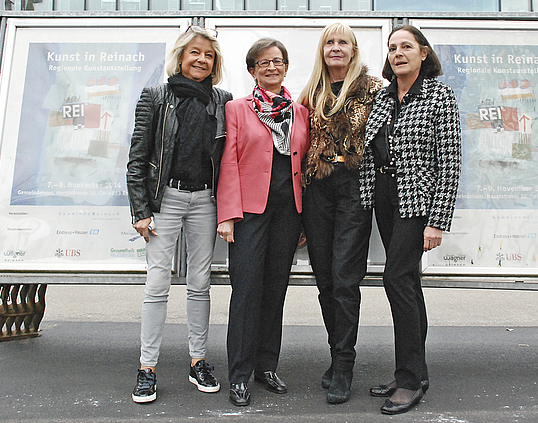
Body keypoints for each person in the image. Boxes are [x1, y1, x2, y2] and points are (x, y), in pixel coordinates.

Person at [126, 26, 232, 404]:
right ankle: (147, 368)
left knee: (200, 283)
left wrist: (228, 210)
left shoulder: (223, 100)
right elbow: (138, 157)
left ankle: (197, 361)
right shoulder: (155, 96)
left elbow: (230, 161)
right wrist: (140, 210)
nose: (202, 60)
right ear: (181, 57)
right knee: (157, 285)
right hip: (165, 200)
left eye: (208, 55)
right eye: (195, 53)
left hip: (206, 201)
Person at [360, 25, 461, 415]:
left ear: (423, 53)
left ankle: (408, 381)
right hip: (383, 197)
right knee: (408, 283)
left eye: (406, 46)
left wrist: (437, 220)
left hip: (416, 201)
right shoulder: (384, 97)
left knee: (396, 278)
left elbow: (449, 162)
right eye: (392, 48)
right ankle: (415, 371)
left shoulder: (439, 94)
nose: (398, 53)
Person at [216, 38, 310, 407]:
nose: (271, 67)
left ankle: (266, 366)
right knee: (246, 291)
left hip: (289, 213)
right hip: (250, 213)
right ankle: (239, 374)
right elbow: (229, 161)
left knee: (275, 289)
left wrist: (305, 218)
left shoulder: (300, 112)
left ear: (286, 67)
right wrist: (227, 214)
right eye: (263, 63)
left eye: (278, 61)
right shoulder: (237, 109)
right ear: (252, 70)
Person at [298, 22, 382, 404]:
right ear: (323, 49)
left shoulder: (374, 90)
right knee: (325, 281)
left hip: (353, 188)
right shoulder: (310, 93)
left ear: (353, 49)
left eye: (342, 42)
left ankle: (344, 366)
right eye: (329, 42)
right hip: (317, 189)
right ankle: (336, 356)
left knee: (346, 280)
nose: (335, 47)